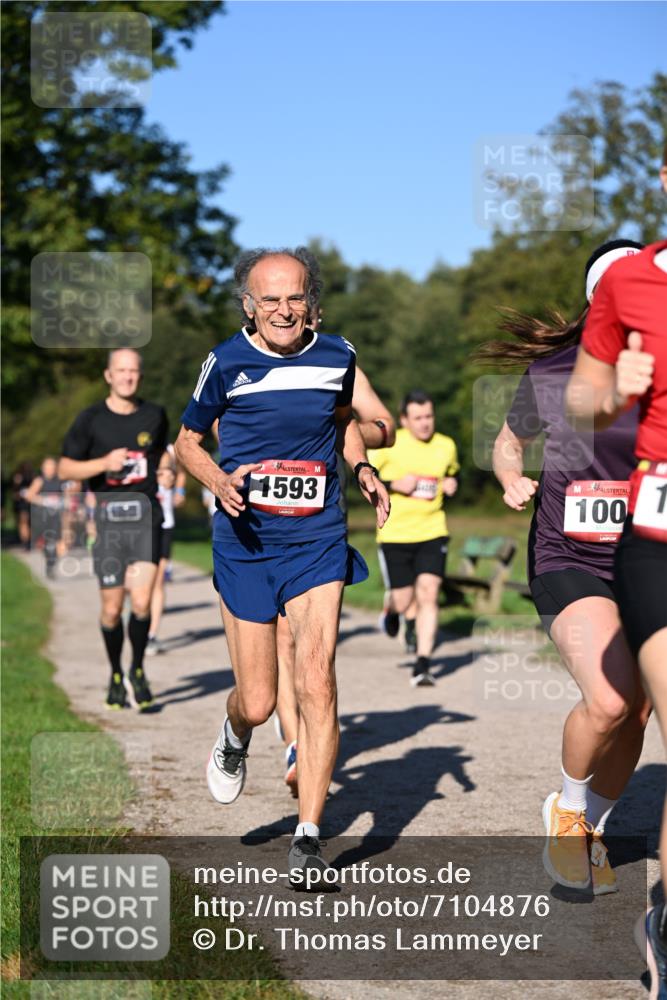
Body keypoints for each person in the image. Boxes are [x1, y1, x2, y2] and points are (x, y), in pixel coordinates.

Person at [174, 247, 390, 880]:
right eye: (269, 299)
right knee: (262, 699)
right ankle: (235, 733)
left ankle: (309, 834)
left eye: (294, 297)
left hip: (317, 538)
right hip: (245, 542)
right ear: (249, 305)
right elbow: (186, 443)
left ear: (311, 301)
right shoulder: (225, 362)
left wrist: (365, 465)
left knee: (317, 678)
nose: (283, 309)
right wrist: (217, 480)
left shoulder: (338, 357)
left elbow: (353, 420)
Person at [479, 238, 650, 900]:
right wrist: (508, 476)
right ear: (597, 301)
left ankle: (591, 828)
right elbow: (508, 440)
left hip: (643, 557)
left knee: (637, 712)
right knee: (608, 699)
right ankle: (567, 810)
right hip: (568, 555)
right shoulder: (553, 372)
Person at [565, 215, 667, 991]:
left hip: (632, 545)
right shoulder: (630, 288)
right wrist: (611, 397)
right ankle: (579, 821)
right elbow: (575, 404)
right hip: (627, 546)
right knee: (618, 703)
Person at [274, 361, 396, 795]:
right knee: (281, 643)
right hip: (263, 527)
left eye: (308, 307)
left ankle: (301, 746)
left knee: (313, 651)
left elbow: (385, 426)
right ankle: (293, 741)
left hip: (318, 525)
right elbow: (217, 425)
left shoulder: (339, 363)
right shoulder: (246, 360)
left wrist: (335, 431)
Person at [58, 348, 169, 711]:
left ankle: (137, 668)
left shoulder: (154, 415)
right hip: (107, 525)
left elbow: (163, 453)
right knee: (111, 609)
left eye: (133, 370)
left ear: (140, 375)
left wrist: (166, 468)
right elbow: (64, 469)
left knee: (140, 603)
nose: (127, 376)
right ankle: (116, 674)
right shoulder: (90, 420)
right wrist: (104, 463)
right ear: (108, 376)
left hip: (145, 520)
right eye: (121, 370)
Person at [369, 390, 459, 687]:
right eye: (418, 418)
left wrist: (451, 483)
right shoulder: (388, 443)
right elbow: (365, 479)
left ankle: (423, 663)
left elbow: (452, 474)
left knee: (429, 594)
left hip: (433, 530)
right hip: (395, 533)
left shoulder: (446, 445)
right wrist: (393, 483)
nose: (425, 423)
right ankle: (392, 608)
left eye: (429, 416)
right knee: (405, 598)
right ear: (404, 419)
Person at [146, 444, 186, 655]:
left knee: (158, 581)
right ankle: (138, 615)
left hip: (165, 526)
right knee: (139, 581)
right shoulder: (140, 452)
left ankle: (151, 635)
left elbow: (182, 471)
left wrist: (179, 490)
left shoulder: (171, 451)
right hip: (143, 526)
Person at [24, 456, 65, 578]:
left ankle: (52, 563)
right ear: (43, 468)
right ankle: (49, 563)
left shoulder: (60, 480)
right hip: (42, 516)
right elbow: (29, 496)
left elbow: (67, 495)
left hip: (56, 516)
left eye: (52, 466)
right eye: (48, 467)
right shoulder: (39, 481)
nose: (50, 469)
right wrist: (45, 501)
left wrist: (63, 502)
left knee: (56, 542)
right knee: (47, 543)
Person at [11, 461, 34, 550]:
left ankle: (27, 542)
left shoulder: (31, 477)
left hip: (27, 502)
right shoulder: (20, 477)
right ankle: (26, 542)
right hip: (22, 503)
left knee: (25, 522)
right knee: (24, 522)